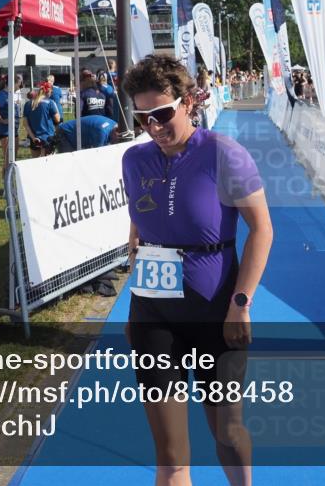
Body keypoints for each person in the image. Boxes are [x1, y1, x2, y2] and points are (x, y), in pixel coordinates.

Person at [122, 54, 273, 486]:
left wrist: (241, 303)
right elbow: (139, 220)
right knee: (170, 457)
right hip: (154, 314)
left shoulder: (224, 154)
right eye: (142, 117)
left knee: (226, 433)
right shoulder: (134, 160)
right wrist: (137, 296)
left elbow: (262, 229)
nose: (153, 127)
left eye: (161, 114)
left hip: (215, 312)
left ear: (188, 102)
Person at [0, 73, 23, 178]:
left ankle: (10, 182)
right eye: (19, 84)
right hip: (5, 131)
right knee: (8, 159)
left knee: (13, 159)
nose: (20, 86)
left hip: (14, 130)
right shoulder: (2, 95)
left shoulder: (11, 94)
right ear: (13, 83)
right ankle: (6, 184)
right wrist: (2, 120)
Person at [23, 81, 62, 157]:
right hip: (48, 137)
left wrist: (33, 138)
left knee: (36, 161)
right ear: (48, 92)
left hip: (34, 138)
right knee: (48, 162)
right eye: (51, 92)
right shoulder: (50, 103)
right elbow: (57, 119)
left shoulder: (28, 104)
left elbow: (25, 124)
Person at [53, 115, 119, 152]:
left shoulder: (115, 124)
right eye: (117, 140)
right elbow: (97, 154)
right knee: (69, 162)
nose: (117, 143)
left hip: (76, 135)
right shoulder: (102, 133)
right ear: (115, 133)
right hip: (65, 134)